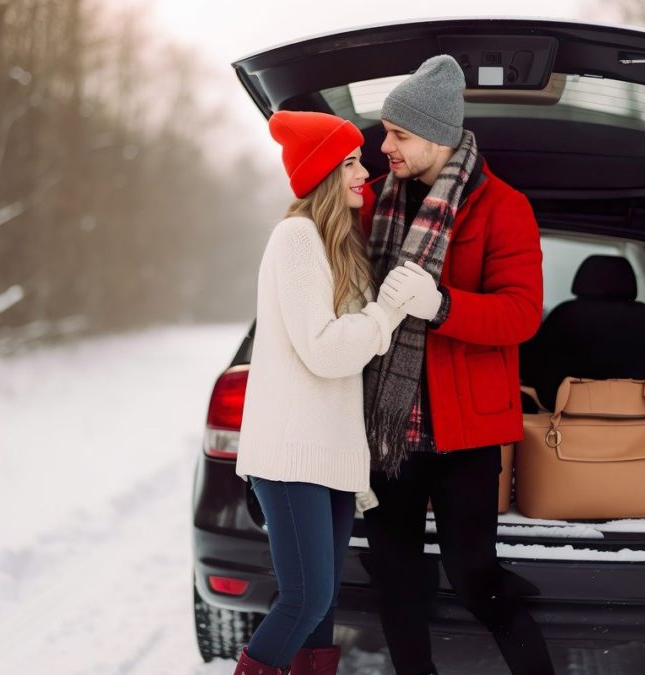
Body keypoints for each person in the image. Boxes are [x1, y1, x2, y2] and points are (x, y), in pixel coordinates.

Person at [361, 55, 555, 675]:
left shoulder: (503, 208)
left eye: (399, 134)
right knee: (394, 577)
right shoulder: (372, 201)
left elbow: (521, 315)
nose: (383, 145)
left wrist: (441, 305)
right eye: (385, 131)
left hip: (464, 435)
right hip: (384, 430)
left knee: (475, 579)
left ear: (439, 137)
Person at [232, 110, 408, 675]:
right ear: (325, 173)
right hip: (291, 454)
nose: (365, 170)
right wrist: (386, 314)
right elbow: (327, 351)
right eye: (352, 161)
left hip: (326, 454)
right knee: (303, 599)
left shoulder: (338, 245)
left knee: (323, 603)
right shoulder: (297, 237)